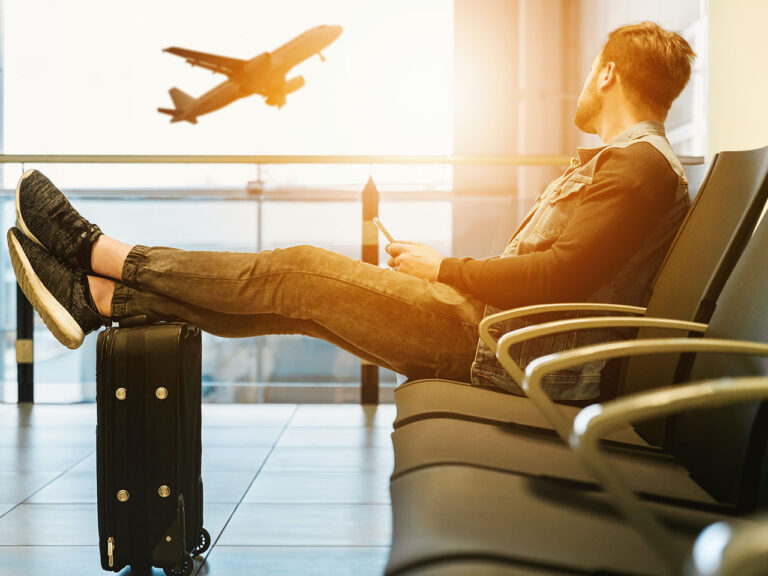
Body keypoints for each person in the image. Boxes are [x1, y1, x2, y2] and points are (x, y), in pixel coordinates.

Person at [7, 22, 695, 401]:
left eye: (588, 72)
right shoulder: (630, 166)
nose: (582, 84)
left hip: (501, 352)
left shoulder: (636, 168)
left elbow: (560, 278)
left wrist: (447, 267)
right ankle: (102, 299)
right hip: (498, 339)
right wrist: (446, 272)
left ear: (606, 73)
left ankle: (98, 252)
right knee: (299, 302)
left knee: (300, 271)